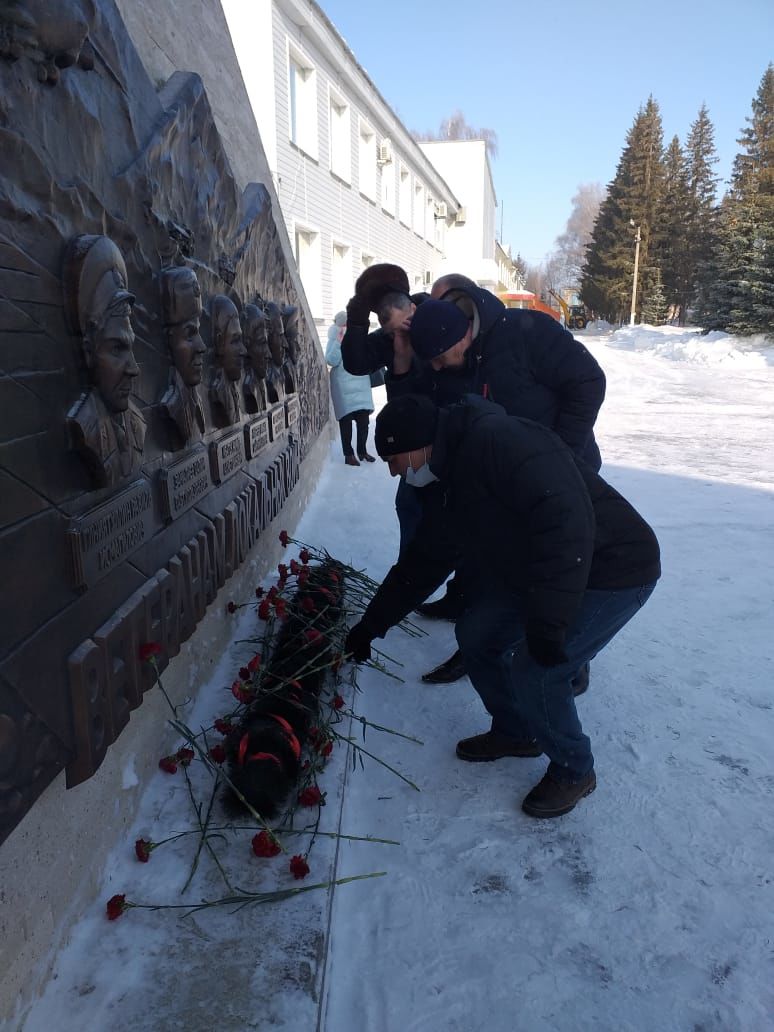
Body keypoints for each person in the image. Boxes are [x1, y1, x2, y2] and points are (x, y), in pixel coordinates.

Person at [344, 393, 660, 818]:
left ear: (419, 442)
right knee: (478, 633)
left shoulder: (501, 443)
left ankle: (574, 769)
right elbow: (424, 562)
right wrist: (370, 626)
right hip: (543, 568)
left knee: (540, 668)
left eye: (395, 458)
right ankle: (517, 732)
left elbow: (567, 527)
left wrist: (548, 625)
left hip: (613, 567)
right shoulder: (450, 477)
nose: (395, 470)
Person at [346, 269, 608, 686]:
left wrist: (557, 455)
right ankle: (480, 645)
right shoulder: (438, 348)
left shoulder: (526, 332)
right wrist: (399, 361)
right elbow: (415, 415)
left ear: (461, 334)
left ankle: (567, 661)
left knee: (555, 563)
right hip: (494, 475)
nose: (434, 367)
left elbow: (589, 383)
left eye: (438, 359)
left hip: (563, 469)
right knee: (485, 558)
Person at [325, 311, 375, 466]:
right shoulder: (334, 339)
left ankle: (362, 451)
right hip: (343, 385)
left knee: (363, 420)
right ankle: (349, 455)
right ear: (341, 325)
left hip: (360, 383)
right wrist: (339, 341)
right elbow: (331, 360)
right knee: (346, 421)